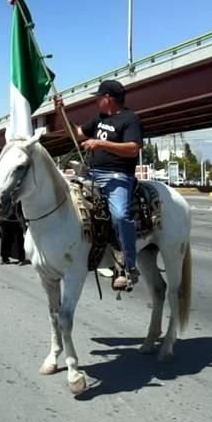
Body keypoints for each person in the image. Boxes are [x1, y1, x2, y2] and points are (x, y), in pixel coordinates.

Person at [59, 79, 144, 290]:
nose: (96, 101)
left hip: (118, 177)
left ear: (108, 99)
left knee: (120, 215)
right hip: (92, 175)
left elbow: (133, 148)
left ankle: (128, 266)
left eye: (99, 97)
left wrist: (99, 143)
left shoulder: (130, 119)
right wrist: (61, 113)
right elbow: (76, 133)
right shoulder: (99, 118)